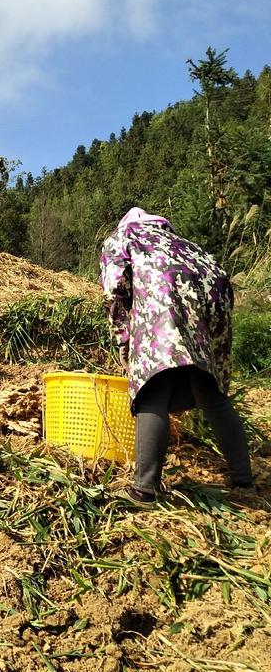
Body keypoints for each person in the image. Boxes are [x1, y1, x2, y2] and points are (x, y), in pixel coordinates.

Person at [100, 207, 252, 503]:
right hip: (209, 311)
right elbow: (222, 284)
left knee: (153, 387)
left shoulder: (123, 237)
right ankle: (244, 481)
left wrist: (124, 344)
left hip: (164, 306)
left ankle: (144, 489)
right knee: (210, 391)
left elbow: (115, 288)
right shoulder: (184, 244)